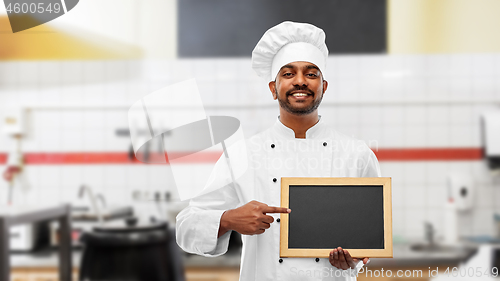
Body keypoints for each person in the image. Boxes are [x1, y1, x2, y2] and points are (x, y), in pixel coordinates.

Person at [176, 21, 381, 281]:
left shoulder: (357, 155)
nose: (300, 81)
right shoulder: (242, 155)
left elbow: (367, 236)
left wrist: (354, 260)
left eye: (311, 73)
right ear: (273, 89)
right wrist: (228, 219)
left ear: (323, 87)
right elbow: (185, 228)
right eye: (288, 73)